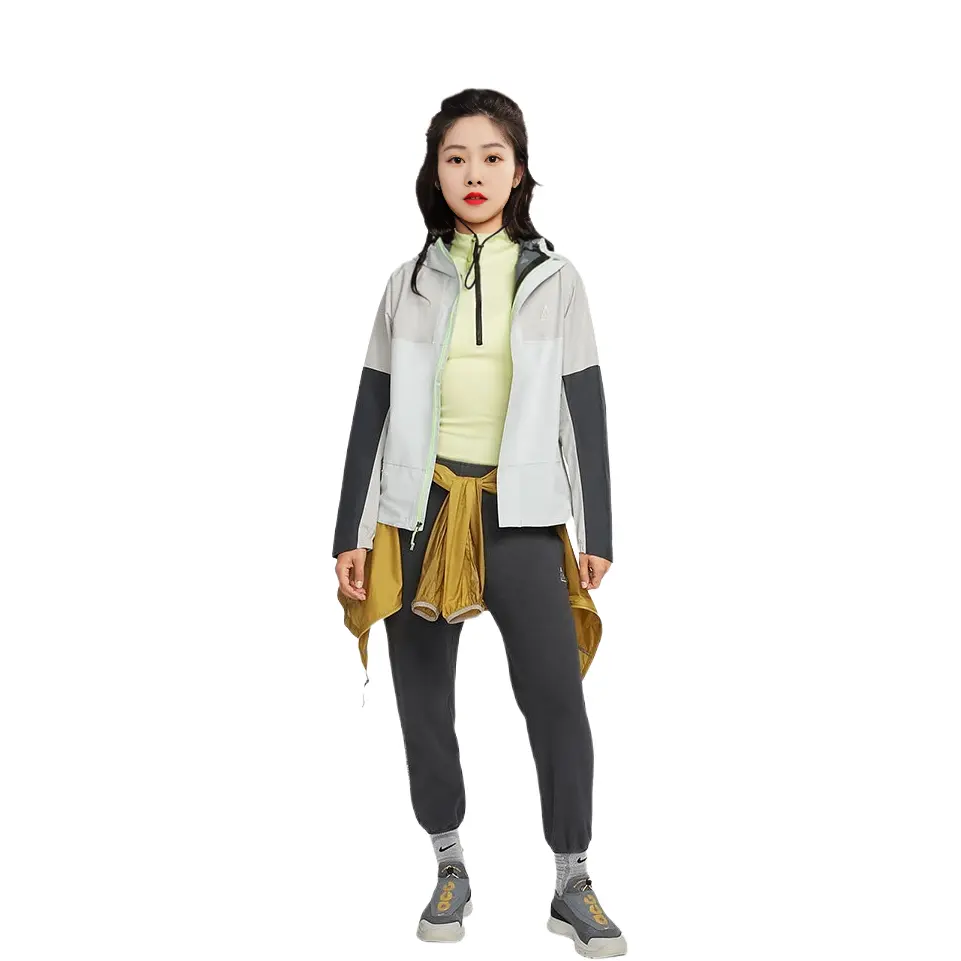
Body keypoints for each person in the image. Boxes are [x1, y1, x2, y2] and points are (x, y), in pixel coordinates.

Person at [332, 88, 626, 957]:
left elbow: (583, 404)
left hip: (522, 516)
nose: (473, 172)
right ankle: (449, 864)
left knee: (555, 700)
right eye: (455, 157)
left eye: (491, 156)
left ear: (519, 170)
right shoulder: (406, 282)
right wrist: (349, 531)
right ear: (434, 171)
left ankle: (571, 879)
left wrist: (598, 529)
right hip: (417, 516)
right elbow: (372, 405)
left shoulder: (555, 281)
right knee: (424, 706)